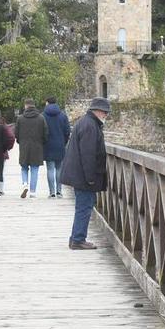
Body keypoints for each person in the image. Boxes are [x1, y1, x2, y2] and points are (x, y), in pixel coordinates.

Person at [61, 97, 110, 250]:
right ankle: (78, 239)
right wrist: (90, 178)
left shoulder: (86, 122)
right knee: (84, 207)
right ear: (99, 111)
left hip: (78, 173)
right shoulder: (90, 126)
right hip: (83, 176)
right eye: (105, 113)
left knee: (83, 206)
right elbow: (88, 154)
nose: (106, 116)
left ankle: (76, 237)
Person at [15, 98, 48, 198]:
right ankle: (33, 192)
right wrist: (42, 142)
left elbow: (16, 133)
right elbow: (45, 133)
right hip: (37, 147)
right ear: (34, 105)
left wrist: (19, 141)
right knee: (34, 169)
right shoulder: (41, 118)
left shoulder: (20, 118)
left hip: (24, 146)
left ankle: (25, 184)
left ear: (26, 106)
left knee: (24, 167)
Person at [42, 96, 71, 198]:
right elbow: (67, 131)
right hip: (60, 145)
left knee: (50, 169)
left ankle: (52, 192)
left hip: (48, 145)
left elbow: (41, 132)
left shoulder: (43, 116)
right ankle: (59, 191)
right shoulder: (63, 116)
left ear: (47, 103)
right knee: (59, 169)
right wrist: (64, 142)